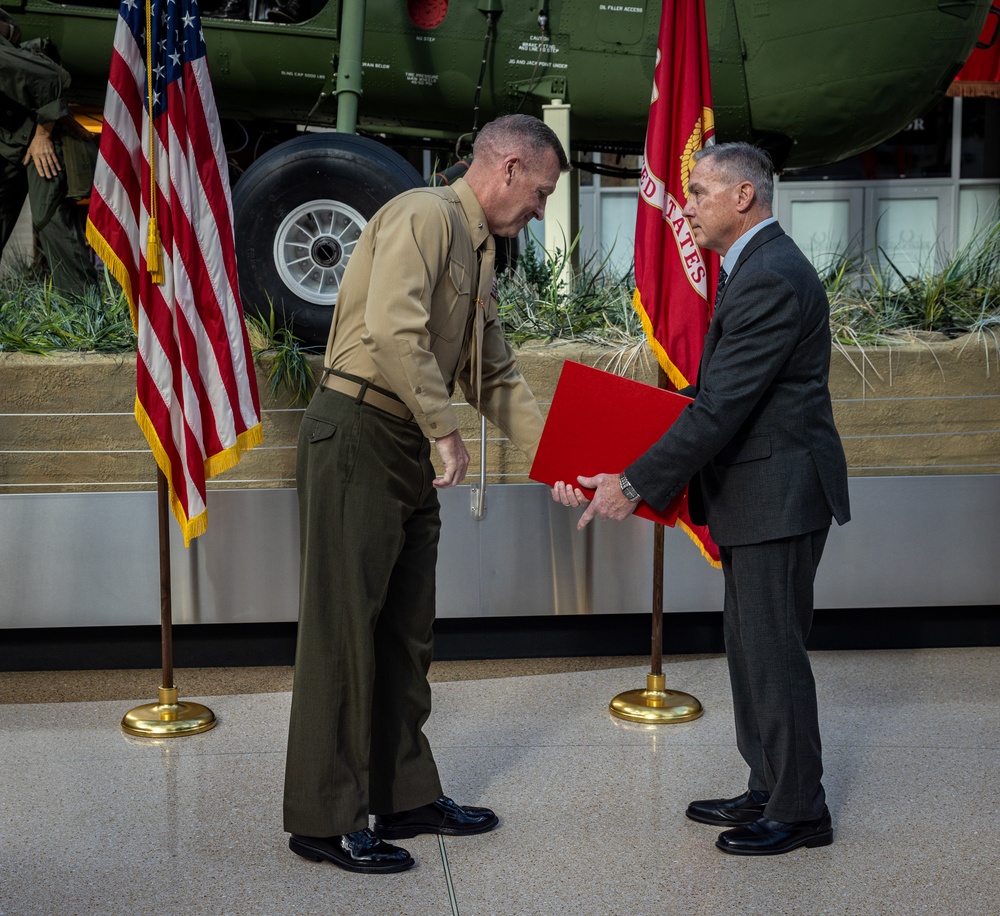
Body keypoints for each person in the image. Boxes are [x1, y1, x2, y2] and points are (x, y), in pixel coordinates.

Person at [283, 114, 570, 874]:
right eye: (540, 192)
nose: (539, 209)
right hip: (358, 431)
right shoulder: (423, 215)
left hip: (403, 439)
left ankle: (404, 795)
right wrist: (445, 431)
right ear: (507, 167)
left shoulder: (477, 251)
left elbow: (495, 374)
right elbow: (392, 327)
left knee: (404, 633)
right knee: (344, 631)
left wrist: (559, 463)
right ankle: (322, 817)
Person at [553, 142, 850, 856]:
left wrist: (633, 484)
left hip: (778, 493)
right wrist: (612, 455)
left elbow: (719, 409)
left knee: (772, 652)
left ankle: (800, 810)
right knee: (749, 647)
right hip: (759, 492)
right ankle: (768, 787)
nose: (683, 205)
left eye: (699, 190)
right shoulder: (755, 269)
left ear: (744, 196)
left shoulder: (771, 276)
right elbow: (708, 399)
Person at [0, 10, 98, 298]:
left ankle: (84, 311)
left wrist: (42, 135)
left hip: (41, 133)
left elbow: (51, 77)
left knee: (50, 221)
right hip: (8, 142)